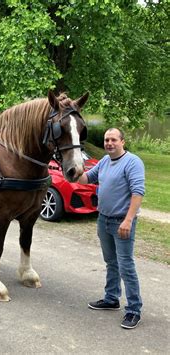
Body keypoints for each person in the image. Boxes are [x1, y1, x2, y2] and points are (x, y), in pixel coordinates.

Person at [79, 128, 145, 329]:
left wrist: (128, 220)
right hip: (104, 219)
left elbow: (138, 192)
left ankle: (134, 310)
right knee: (111, 262)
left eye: (113, 139)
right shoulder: (105, 161)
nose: (109, 143)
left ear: (122, 142)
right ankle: (111, 299)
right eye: (107, 139)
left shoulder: (133, 162)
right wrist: (74, 168)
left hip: (121, 222)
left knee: (126, 265)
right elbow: (86, 179)